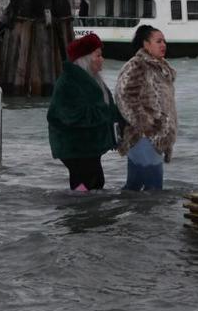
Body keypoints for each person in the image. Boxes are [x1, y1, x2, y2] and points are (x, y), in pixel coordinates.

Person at [47, 33, 122, 191]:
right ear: (86, 58)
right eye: (98, 56)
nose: (102, 60)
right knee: (87, 183)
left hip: (89, 146)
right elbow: (71, 115)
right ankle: (79, 213)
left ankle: (84, 212)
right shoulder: (69, 81)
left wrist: (118, 129)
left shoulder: (95, 80)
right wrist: (103, 113)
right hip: (74, 146)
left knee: (95, 182)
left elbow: (110, 109)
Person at [115, 25, 177, 191]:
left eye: (164, 41)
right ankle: (149, 218)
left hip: (153, 138)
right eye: (158, 41)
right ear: (146, 44)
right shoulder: (137, 65)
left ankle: (125, 216)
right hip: (144, 138)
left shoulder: (160, 68)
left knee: (133, 189)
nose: (163, 44)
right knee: (154, 190)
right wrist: (146, 125)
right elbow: (124, 96)